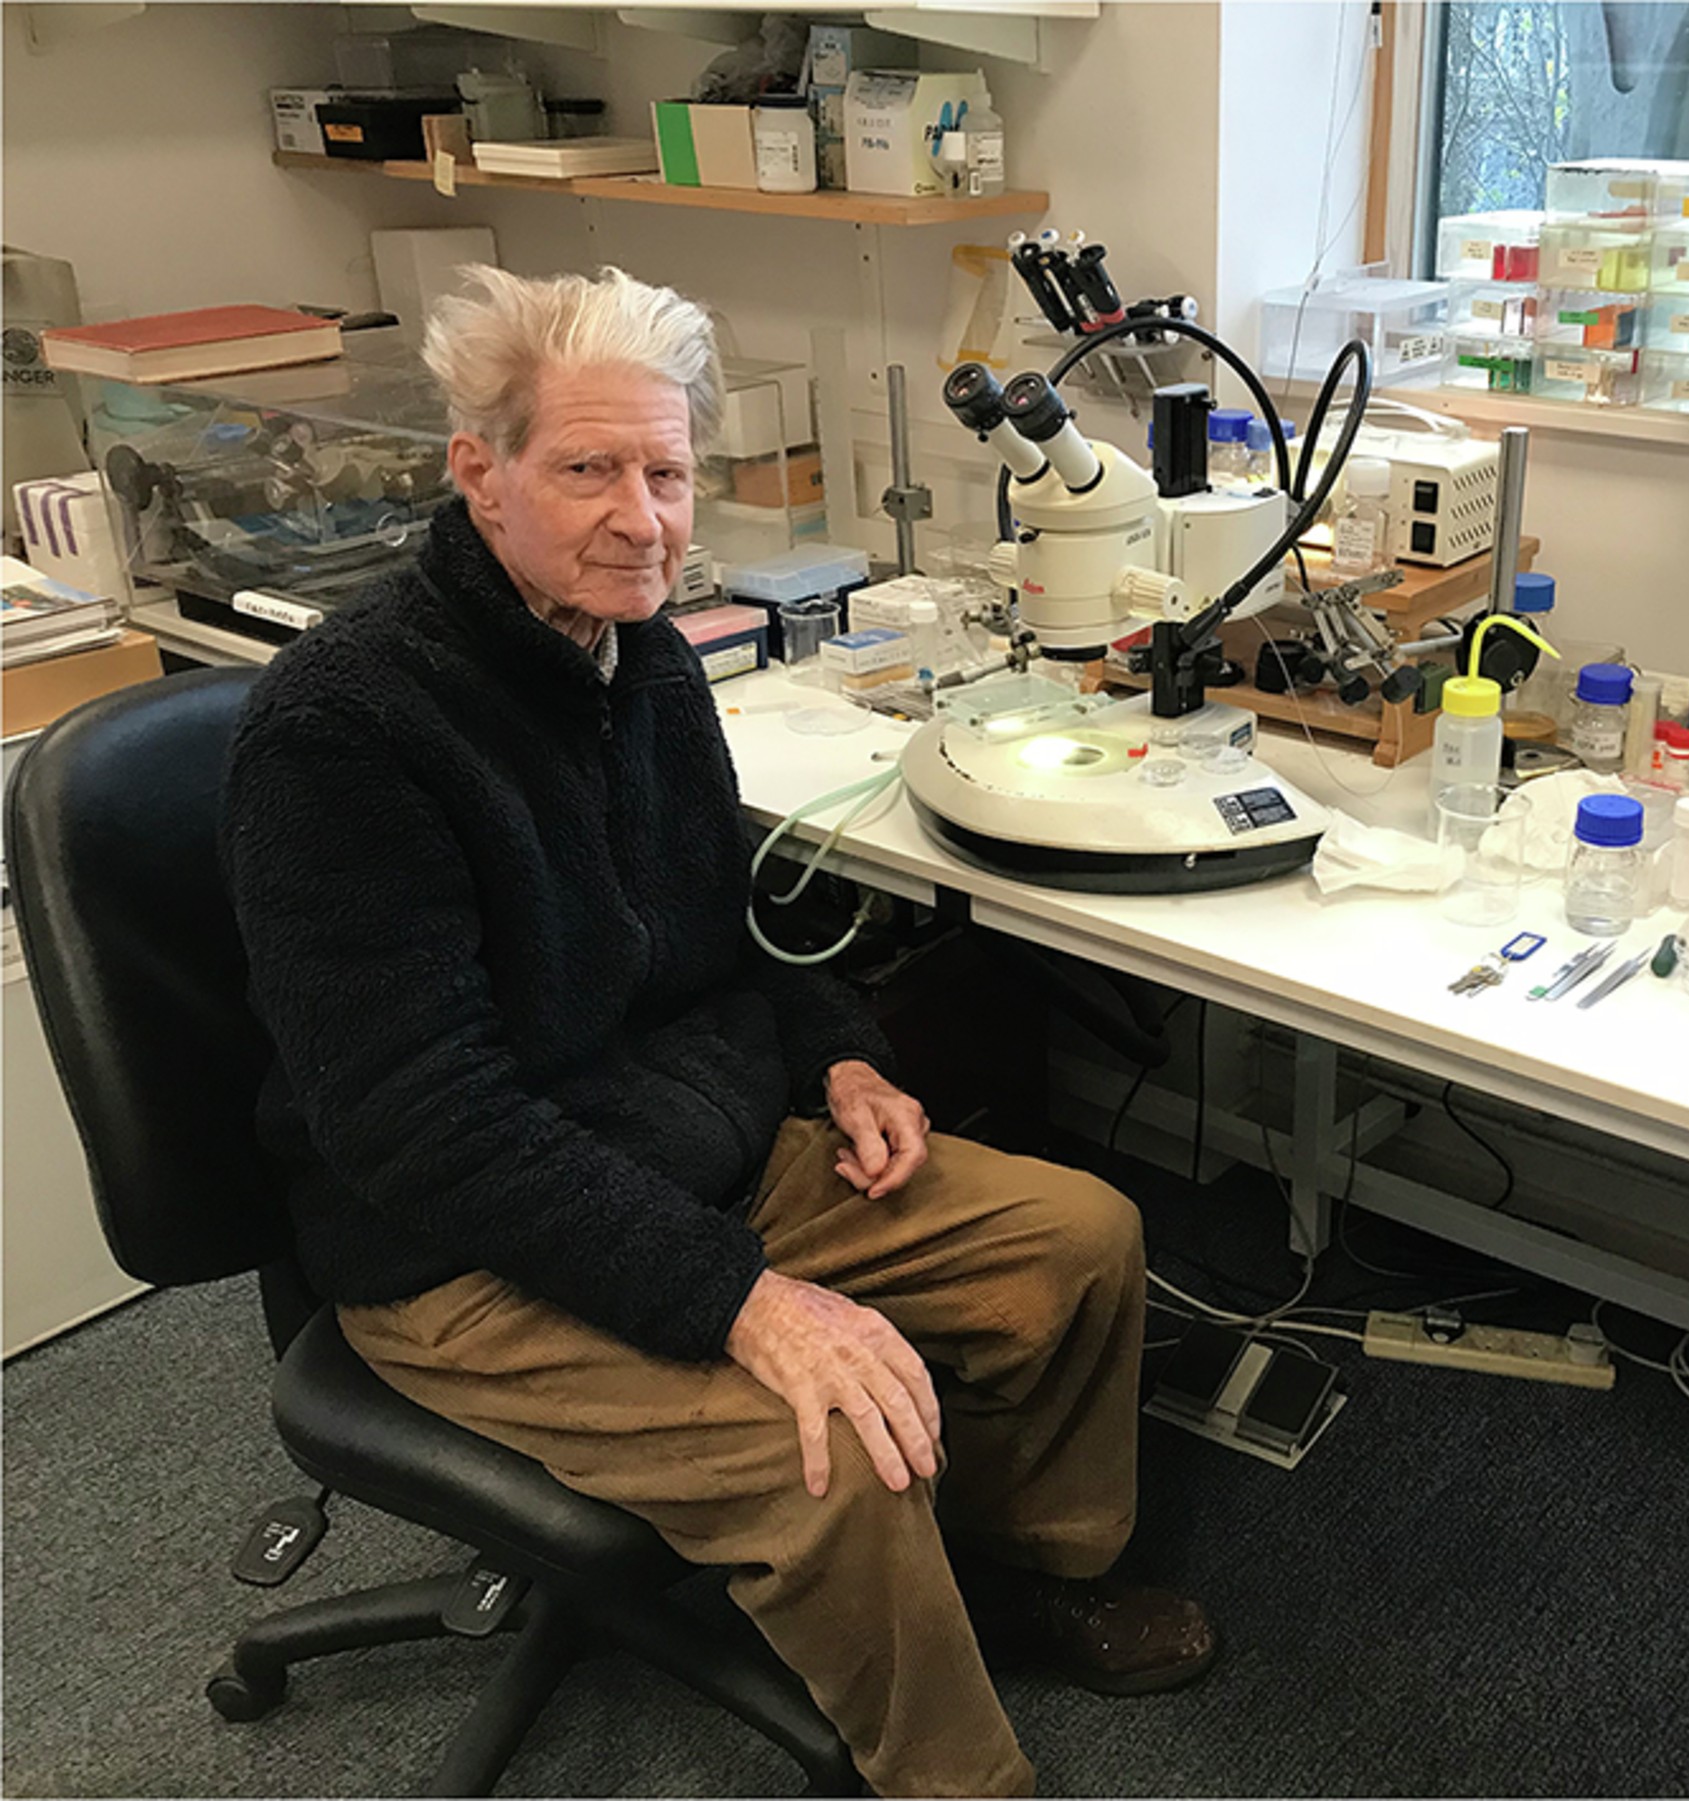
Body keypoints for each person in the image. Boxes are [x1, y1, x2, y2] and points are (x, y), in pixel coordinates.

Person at [220, 265, 1216, 1797]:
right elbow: (422, 1125)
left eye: (669, 471)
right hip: (463, 1247)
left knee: (1076, 1241)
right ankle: (959, 1776)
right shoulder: (343, 732)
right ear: (475, 471)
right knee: (832, 1461)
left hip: (686, 1146)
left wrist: (841, 1056)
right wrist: (741, 1301)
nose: (643, 517)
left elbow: (720, 923)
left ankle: (1014, 1571)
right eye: (589, 468)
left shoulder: (648, 658)